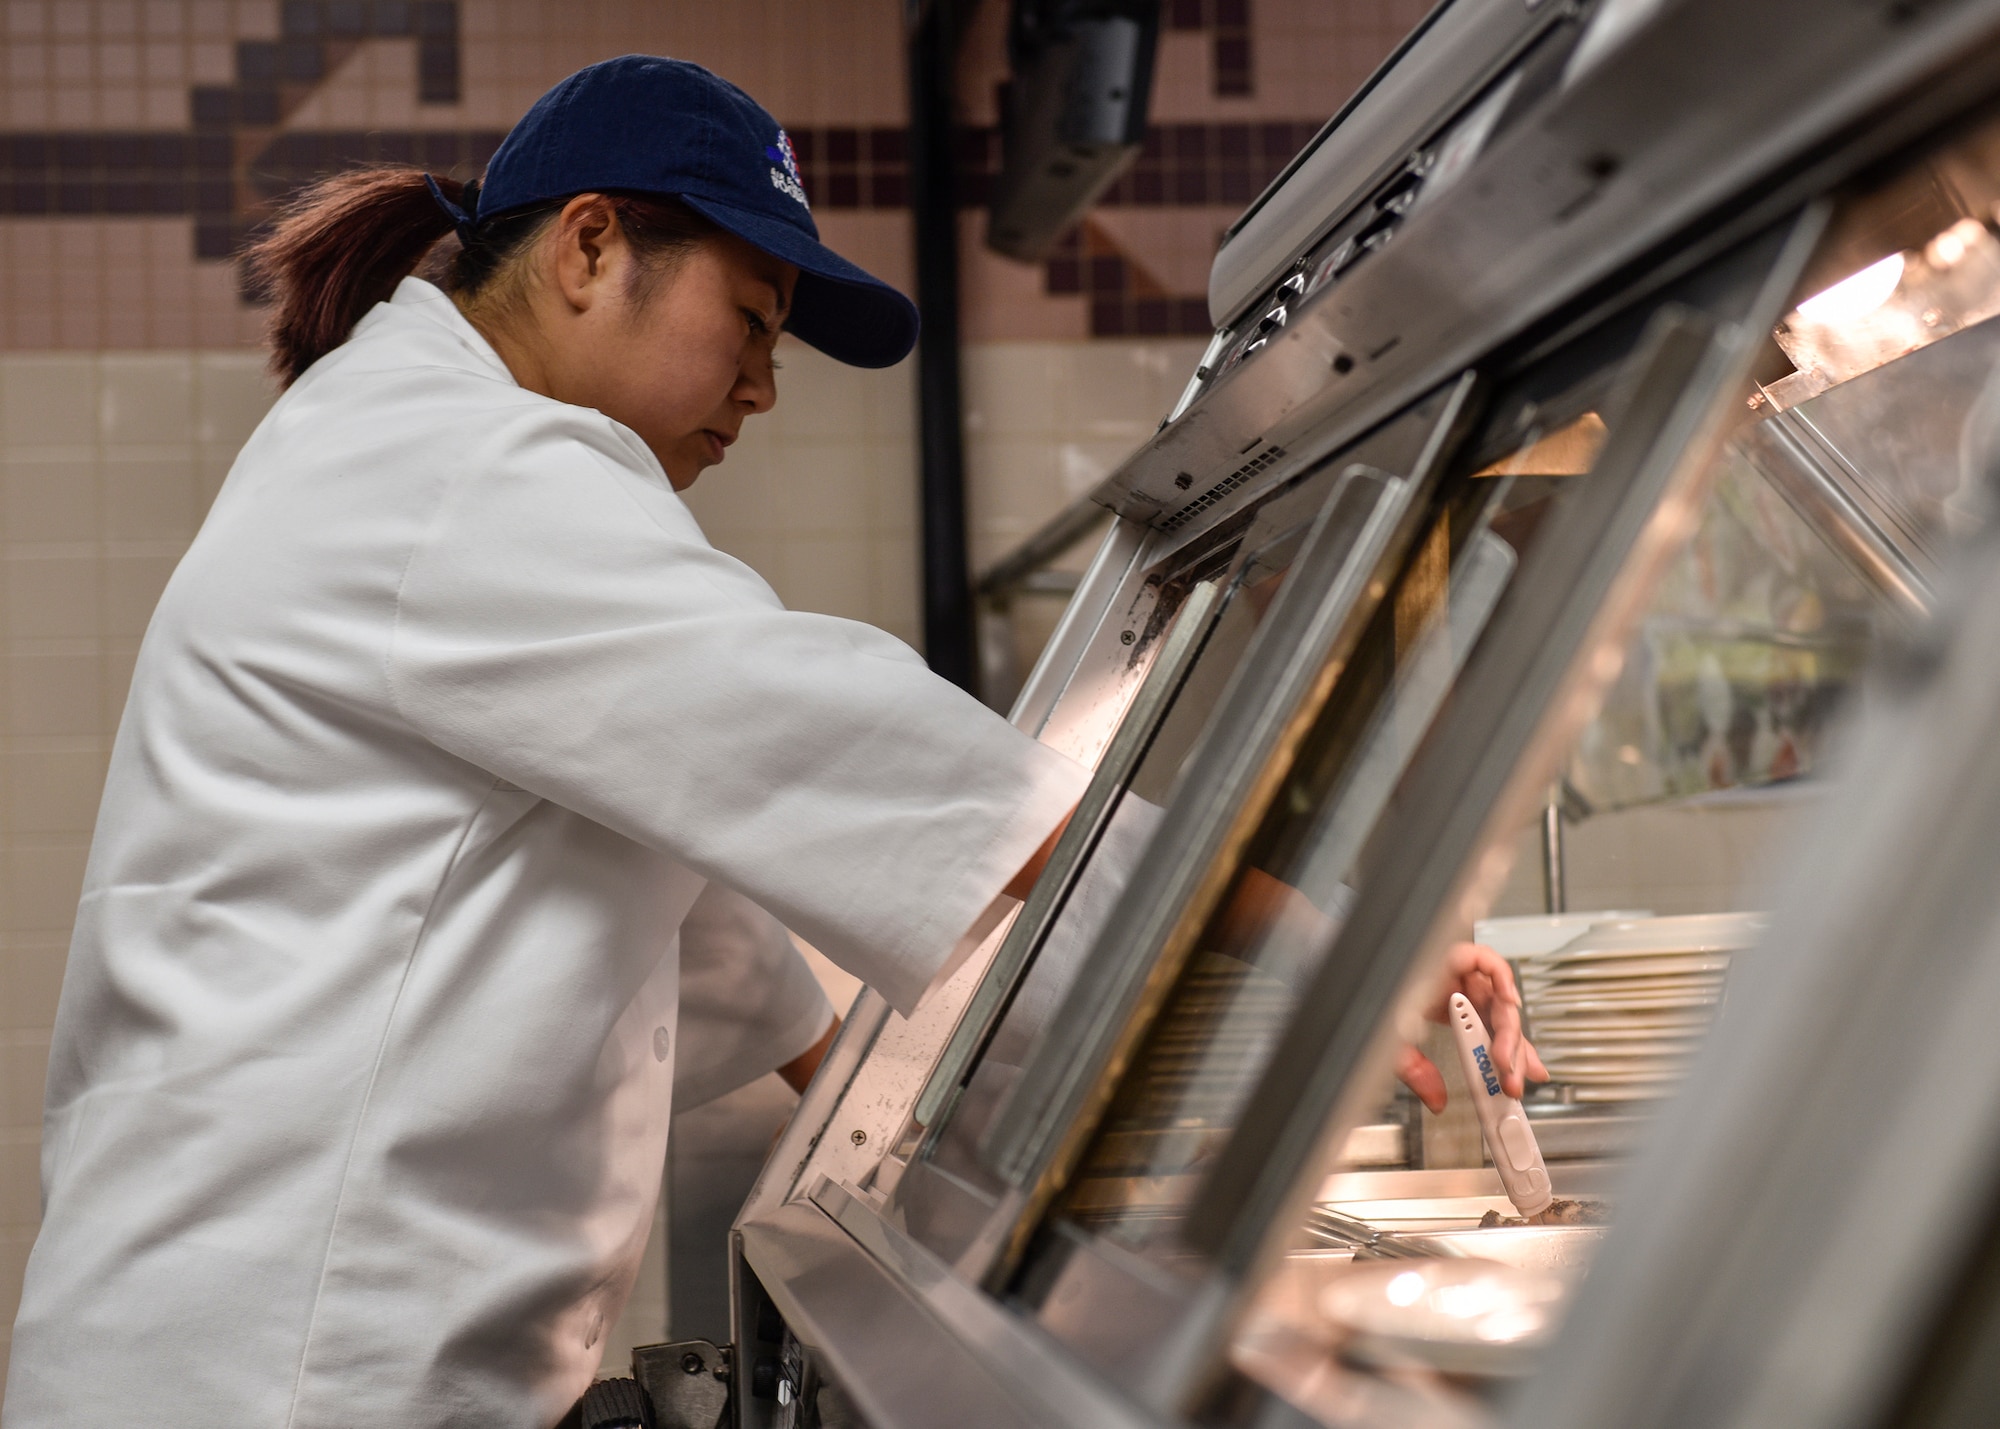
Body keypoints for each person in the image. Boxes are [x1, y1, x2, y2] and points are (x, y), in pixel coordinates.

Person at [1, 54, 1537, 1429]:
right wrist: (1336, 939)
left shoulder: (430, 455)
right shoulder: (465, 467)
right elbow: (843, 734)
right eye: (748, 318)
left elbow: (702, 897)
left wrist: (908, 1125)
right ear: (590, 244)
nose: (761, 386)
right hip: (276, 1379)